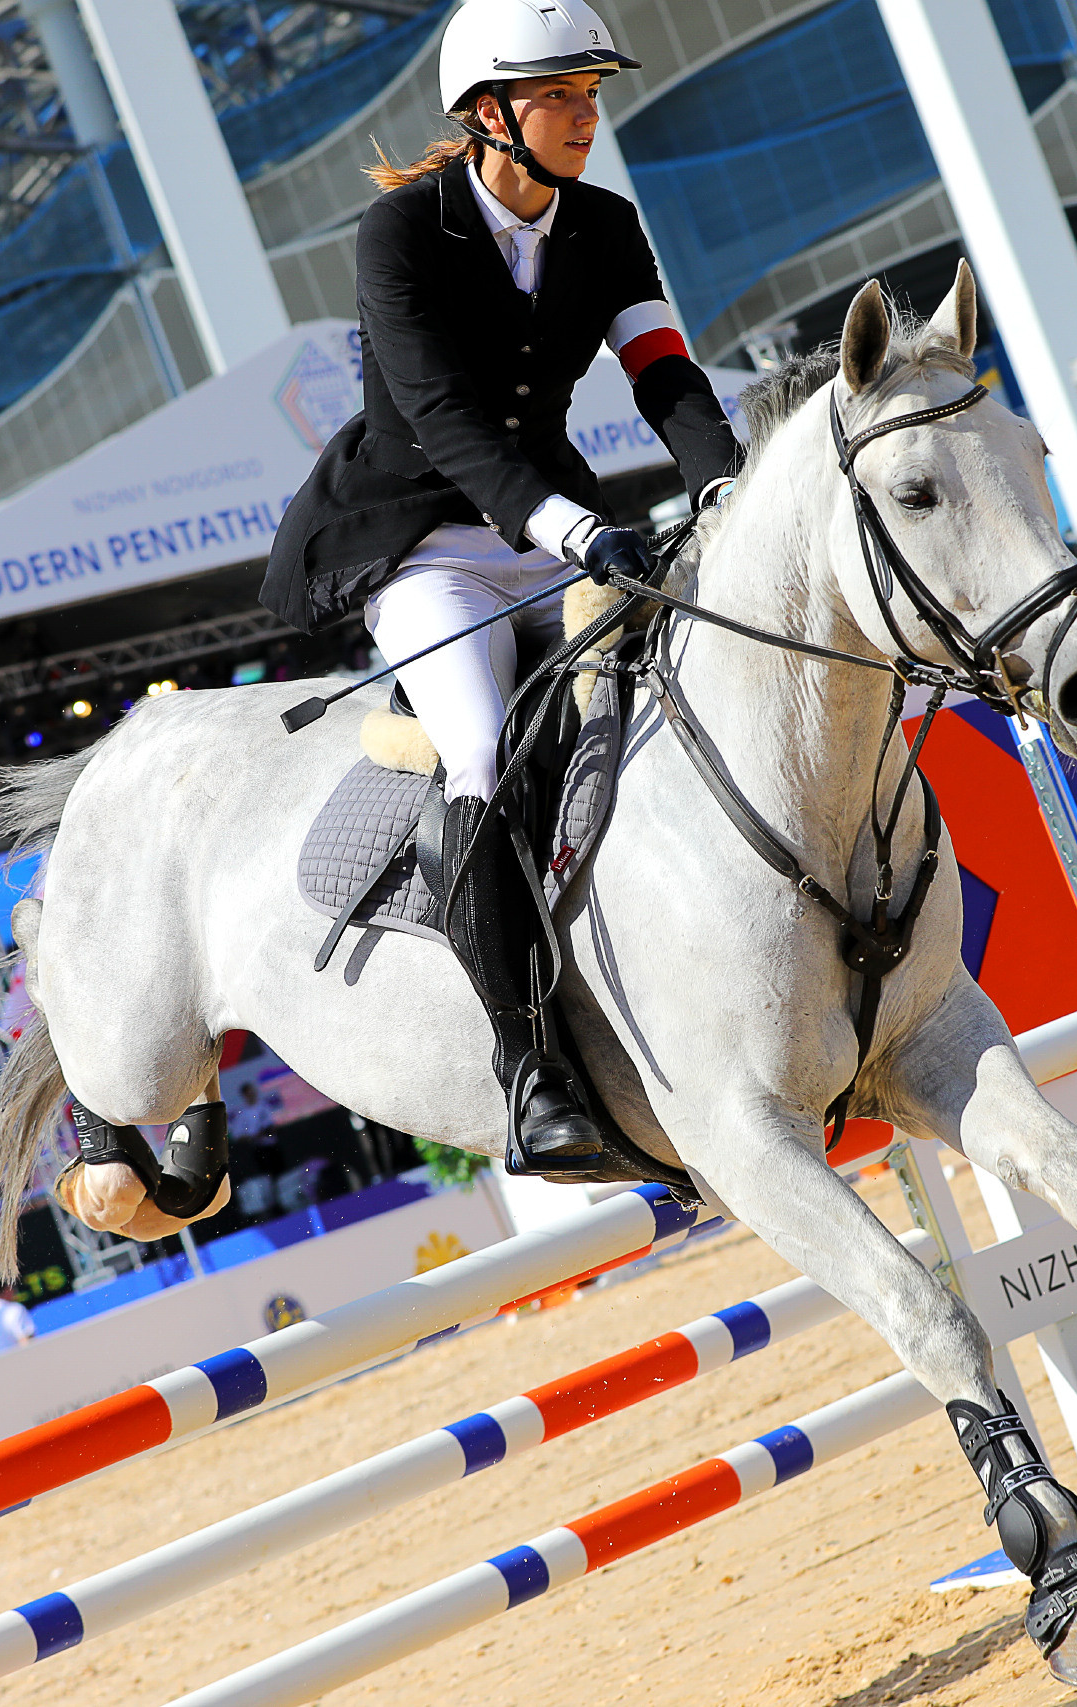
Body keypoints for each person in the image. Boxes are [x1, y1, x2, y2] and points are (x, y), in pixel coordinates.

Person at [262, 0, 741, 1173]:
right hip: (425, 547)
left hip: (546, 528)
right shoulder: (401, 234)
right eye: (560, 99)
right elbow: (442, 420)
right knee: (479, 750)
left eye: (591, 96)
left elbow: (665, 376)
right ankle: (529, 1067)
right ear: (488, 115)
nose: (586, 118)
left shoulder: (607, 227)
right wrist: (582, 529)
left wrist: (726, 487)